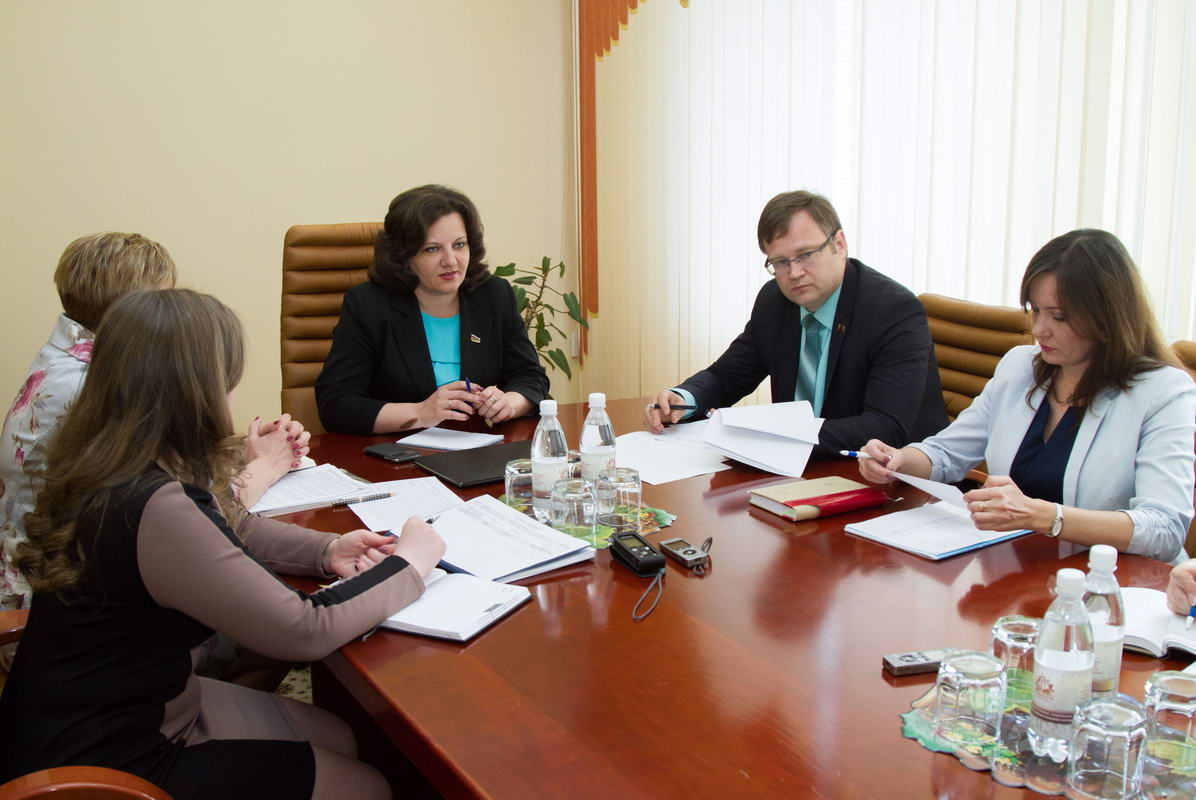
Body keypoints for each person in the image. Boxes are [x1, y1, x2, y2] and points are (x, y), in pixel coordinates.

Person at [0, 288, 446, 800]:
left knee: (341, 735)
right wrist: (409, 564)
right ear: (196, 390)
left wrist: (326, 551)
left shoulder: (110, 455)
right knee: (367, 787)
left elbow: (223, 527)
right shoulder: (149, 501)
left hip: (120, 700)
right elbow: (304, 629)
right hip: (108, 752)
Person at [0, 233, 309, 615]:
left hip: (63, 574)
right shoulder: (94, 386)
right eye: (163, 301)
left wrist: (242, 453)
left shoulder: (67, 356)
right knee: (268, 605)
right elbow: (195, 513)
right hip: (61, 601)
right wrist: (269, 465)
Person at [858, 229, 1195, 565]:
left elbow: (1164, 530)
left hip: (1116, 580)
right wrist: (898, 459)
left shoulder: (1163, 392)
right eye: (1035, 311)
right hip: (1022, 566)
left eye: (1059, 316)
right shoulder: (1020, 366)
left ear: (1108, 316)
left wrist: (1044, 516)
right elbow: (946, 453)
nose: (1039, 329)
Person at [643, 190, 946, 459]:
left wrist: (778, 438)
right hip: (797, 470)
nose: (795, 272)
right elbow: (726, 378)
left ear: (839, 244)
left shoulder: (892, 310)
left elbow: (885, 427)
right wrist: (682, 399)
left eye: (806, 255)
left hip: (890, 478)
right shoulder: (775, 301)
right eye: (780, 262)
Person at [315, 185, 550, 434]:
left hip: (481, 448)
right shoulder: (369, 305)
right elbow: (336, 404)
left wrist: (509, 403)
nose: (451, 260)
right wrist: (421, 412)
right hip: (399, 452)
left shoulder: (493, 295)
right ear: (404, 256)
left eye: (459, 245)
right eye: (432, 249)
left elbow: (530, 376)